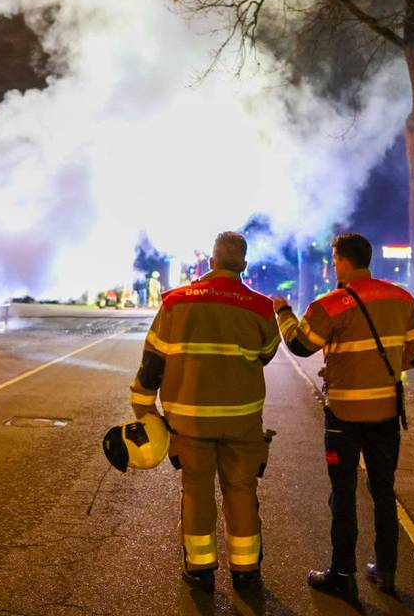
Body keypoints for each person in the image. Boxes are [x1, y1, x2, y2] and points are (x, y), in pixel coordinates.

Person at [272, 233, 414, 599]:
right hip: (387, 415)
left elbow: (299, 345)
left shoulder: (330, 305)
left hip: (343, 417)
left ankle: (343, 574)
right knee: (383, 491)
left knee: (343, 495)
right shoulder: (400, 297)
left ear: (342, 261)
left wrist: (283, 312)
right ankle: (386, 570)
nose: (331, 265)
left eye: (333, 259)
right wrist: (389, 366)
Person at [128, 232, 279, 592]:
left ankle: (200, 569)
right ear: (243, 265)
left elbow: (153, 360)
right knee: (241, 489)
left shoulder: (177, 302)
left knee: (195, 489)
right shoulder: (260, 307)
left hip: (189, 418)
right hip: (241, 420)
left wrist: (143, 403)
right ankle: (245, 572)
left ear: (211, 262)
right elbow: (267, 353)